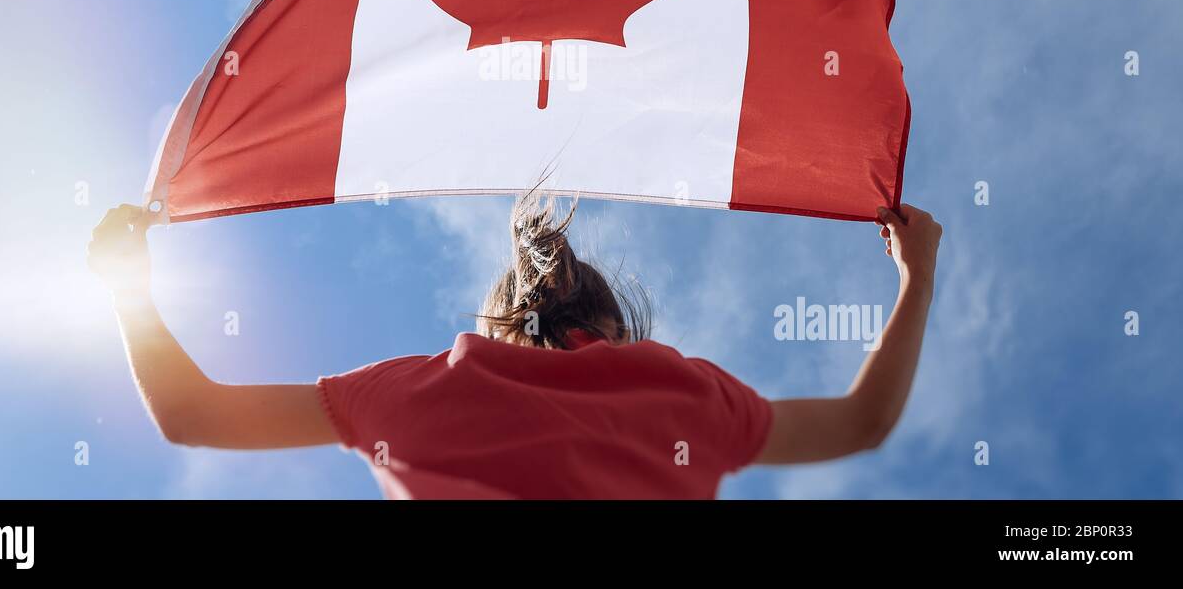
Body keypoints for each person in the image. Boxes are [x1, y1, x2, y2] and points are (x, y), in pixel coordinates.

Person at [88, 193, 941, 499]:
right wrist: (917, 276)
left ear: (500, 322)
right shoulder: (690, 400)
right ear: (612, 328)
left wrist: (129, 283)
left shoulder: (422, 390)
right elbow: (861, 423)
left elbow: (192, 414)